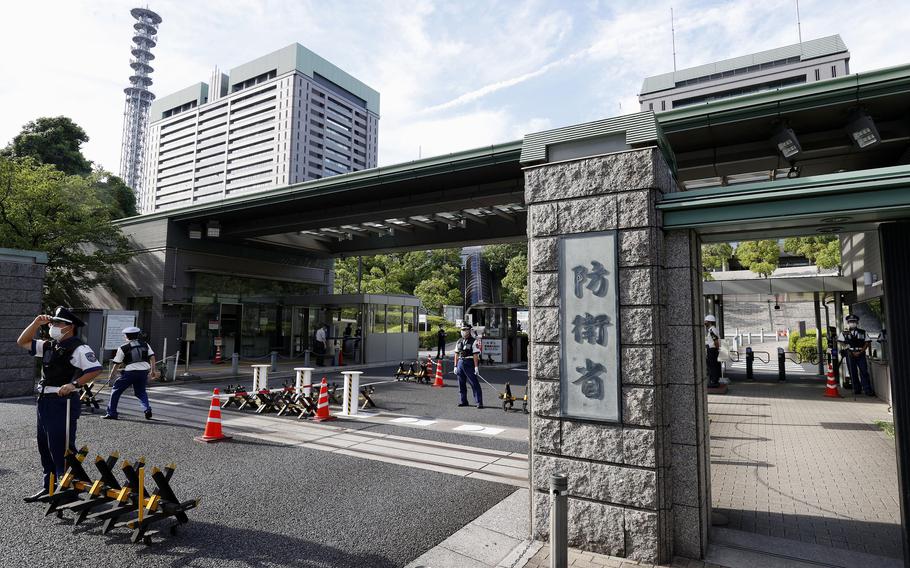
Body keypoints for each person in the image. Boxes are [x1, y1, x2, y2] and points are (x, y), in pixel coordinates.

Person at [16, 307, 102, 502]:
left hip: (63, 402)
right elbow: (22, 342)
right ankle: (49, 487)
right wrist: (36, 323)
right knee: (44, 445)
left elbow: (95, 369)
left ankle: (67, 489)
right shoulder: (50, 345)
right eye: (52, 322)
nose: (53, 326)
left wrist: (74, 384)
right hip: (45, 400)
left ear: (69, 327)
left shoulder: (79, 348)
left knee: (61, 447)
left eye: (57, 323)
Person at [103, 326, 158, 420]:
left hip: (130, 373)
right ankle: (147, 409)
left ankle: (112, 413)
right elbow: (152, 357)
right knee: (141, 392)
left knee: (116, 390)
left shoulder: (123, 348)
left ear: (126, 337)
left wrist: (112, 375)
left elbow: (117, 363)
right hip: (143, 372)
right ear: (137, 335)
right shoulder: (145, 344)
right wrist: (153, 371)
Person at [838, 314, 874, 396]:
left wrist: (860, 351)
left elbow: (867, 342)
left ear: (857, 322)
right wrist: (848, 348)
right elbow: (841, 342)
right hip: (850, 354)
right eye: (850, 322)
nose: (852, 323)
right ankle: (856, 389)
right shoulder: (844, 333)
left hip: (860, 353)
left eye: (854, 321)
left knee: (864, 371)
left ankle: (867, 389)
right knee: (852, 372)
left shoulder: (863, 332)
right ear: (848, 323)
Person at [454, 324, 483, 409]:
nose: (463, 332)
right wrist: (455, 366)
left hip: (469, 362)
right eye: (462, 330)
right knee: (461, 383)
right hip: (460, 362)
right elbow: (456, 354)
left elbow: (475, 355)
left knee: (474, 383)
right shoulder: (459, 341)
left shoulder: (474, 341)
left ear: (469, 331)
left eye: (465, 330)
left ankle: (479, 402)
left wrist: (476, 367)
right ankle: (463, 401)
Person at [704, 315, 721, 387]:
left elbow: (716, 341)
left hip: (712, 350)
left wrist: (716, 349)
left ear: (709, 322)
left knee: (712, 365)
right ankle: (714, 380)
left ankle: (713, 381)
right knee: (714, 365)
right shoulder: (713, 329)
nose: (705, 323)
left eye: (706, 321)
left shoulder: (711, 330)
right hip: (713, 349)